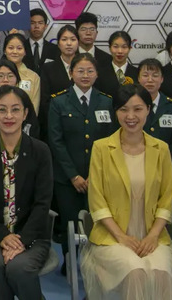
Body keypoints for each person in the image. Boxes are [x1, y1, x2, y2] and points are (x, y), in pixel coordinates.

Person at [81, 84, 172, 299]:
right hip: (112, 237)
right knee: (135, 271)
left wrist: (153, 236)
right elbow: (97, 201)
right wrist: (122, 237)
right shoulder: (101, 148)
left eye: (138, 109)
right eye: (123, 109)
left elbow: (166, 198)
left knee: (162, 272)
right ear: (116, 112)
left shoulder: (161, 149)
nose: (130, 116)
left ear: (148, 109)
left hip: (152, 235)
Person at [0, 85, 53, 300]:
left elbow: (42, 203)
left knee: (19, 268)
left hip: (31, 234)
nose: (9, 116)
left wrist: (20, 241)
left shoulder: (40, 151)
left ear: (25, 114)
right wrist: (3, 237)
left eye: (15, 110)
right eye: (2, 110)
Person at [48, 52, 117, 265]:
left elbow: (111, 140)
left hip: (98, 176)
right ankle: (70, 260)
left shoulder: (106, 102)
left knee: (97, 220)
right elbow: (56, 142)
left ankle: (97, 261)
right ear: (71, 73)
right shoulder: (58, 101)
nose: (85, 75)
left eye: (90, 71)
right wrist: (73, 176)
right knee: (70, 221)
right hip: (67, 178)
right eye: (80, 71)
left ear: (97, 74)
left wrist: (96, 174)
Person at [136, 58, 172, 177]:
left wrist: (168, 174)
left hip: (166, 172)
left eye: (155, 75)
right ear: (138, 78)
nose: (150, 80)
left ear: (162, 79)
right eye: (145, 75)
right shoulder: (130, 107)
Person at [39, 24, 79, 140]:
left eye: (73, 39)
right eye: (64, 39)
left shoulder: (85, 67)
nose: (69, 43)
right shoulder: (48, 68)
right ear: (58, 43)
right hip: (56, 125)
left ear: (78, 42)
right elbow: (45, 101)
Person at [3, 32, 41, 113]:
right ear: (4, 51)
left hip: (26, 119)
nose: (15, 51)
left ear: (25, 52)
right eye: (11, 48)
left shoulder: (34, 77)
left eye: (19, 48)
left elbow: (34, 108)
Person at [98, 30, 138, 98]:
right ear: (110, 48)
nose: (120, 51)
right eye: (115, 47)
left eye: (124, 47)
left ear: (129, 48)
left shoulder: (137, 73)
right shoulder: (100, 73)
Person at [22, 8, 60, 73]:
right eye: (32, 23)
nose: (36, 26)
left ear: (45, 26)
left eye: (40, 23)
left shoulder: (54, 49)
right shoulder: (21, 47)